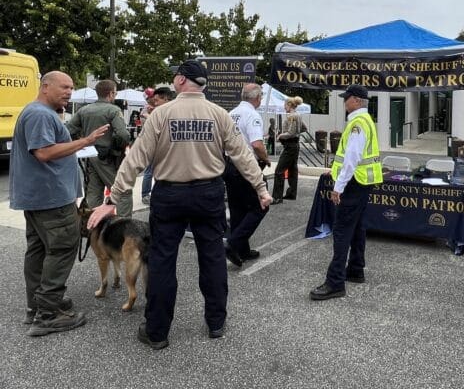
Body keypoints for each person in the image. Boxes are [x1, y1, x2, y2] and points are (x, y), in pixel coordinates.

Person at [86, 59, 271, 350]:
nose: (173, 79)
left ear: (183, 80)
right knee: (211, 257)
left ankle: (157, 331)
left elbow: (135, 158)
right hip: (208, 194)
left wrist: (113, 197)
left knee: (161, 261)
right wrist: (260, 188)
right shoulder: (218, 114)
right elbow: (243, 155)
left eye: (176, 76)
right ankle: (216, 322)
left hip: (170, 195)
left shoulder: (162, 115)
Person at [10, 71, 110, 336]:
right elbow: (43, 152)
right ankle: (48, 314)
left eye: (71, 87)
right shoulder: (41, 114)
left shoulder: (37, 112)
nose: (69, 91)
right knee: (63, 247)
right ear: (45, 87)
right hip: (51, 199)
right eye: (64, 87)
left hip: (39, 197)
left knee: (40, 250)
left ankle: (39, 305)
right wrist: (86, 141)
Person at [310, 85, 382, 301]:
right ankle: (356, 269)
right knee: (358, 227)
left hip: (352, 183)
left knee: (341, 231)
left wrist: (337, 187)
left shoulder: (357, 123)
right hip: (362, 183)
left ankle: (335, 282)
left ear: (357, 101)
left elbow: (351, 159)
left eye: (347, 98)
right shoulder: (365, 120)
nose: (344, 102)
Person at [223, 83, 271, 267]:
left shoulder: (231, 113)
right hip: (245, 166)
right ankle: (233, 244)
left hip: (229, 165)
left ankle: (242, 249)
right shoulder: (252, 115)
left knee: (237, 209)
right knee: (261, 206)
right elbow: (257, 144)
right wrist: (265, 159)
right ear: (257, 98)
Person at [67, 79, 130, 209]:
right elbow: (123, 135)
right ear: (111, 94)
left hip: (90, 155)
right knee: (123, 193)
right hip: (107, 157)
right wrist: (117, 147)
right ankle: (123, 224)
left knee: (93, 193)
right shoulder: (113, 110)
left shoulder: (84, 110)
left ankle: (91, 225)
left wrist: (80, 142)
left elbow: (68, 130)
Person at [140, 86, 173, 205]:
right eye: (152, 99)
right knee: (149, 170)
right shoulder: (148, 111)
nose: (154, 102)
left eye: (156, 99)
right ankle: (145, 194)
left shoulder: (159, 110)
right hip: (152, 144)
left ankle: (154, 192)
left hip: (160, 145)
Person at [272, 96, 304, 204]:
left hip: (290, 146)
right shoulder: (298, 115)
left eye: (285, 105)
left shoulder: (292, 116)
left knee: (279, 171)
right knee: (292, 170)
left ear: (289, 105)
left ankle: (277, 197)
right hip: (295, 145)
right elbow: (304, 128)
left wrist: (280, 135)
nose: (284, 107)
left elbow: (291, 133)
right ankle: (291, 193)